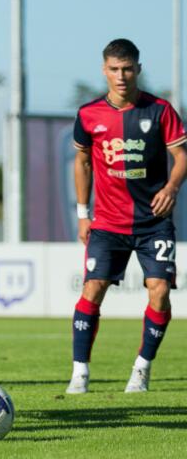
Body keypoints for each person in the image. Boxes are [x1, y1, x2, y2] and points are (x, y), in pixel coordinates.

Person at [66, 38, 187, 395]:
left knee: (160, 291)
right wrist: (82, 214)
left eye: (128, 69)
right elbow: (82, 162)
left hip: (154, 222)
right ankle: (80, 373)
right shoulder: (89, 115)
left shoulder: (161, 111)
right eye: (115, 69)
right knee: (93, 288)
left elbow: (182, 157)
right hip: (107, 222)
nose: (121, 76)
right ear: (105, 70)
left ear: (138, 69)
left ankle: (141, 369)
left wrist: (172, 188)